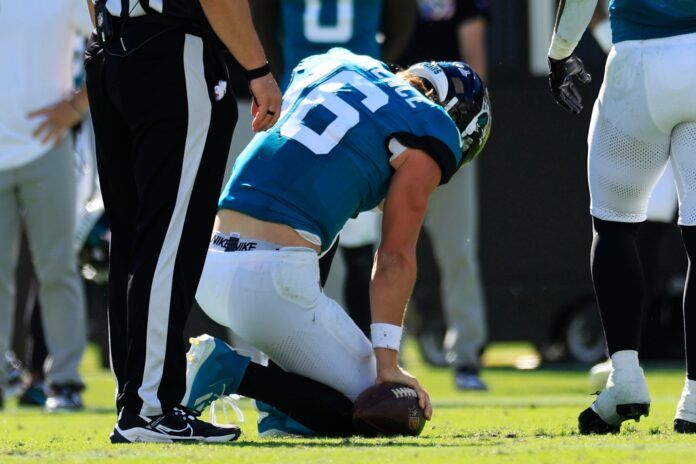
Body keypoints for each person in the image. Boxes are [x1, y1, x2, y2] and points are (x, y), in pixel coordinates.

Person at [182, 47, 491, 437]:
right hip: (269, 281)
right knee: (389, 409)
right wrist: (388, 363)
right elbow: (394, 258)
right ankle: (232, 372)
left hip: (212, 261)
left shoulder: (335, 62)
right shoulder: (431, 127)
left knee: (328, 228)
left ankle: (282, 411)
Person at [84, 0, 282, 443]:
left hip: (109, 49)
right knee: (167, 237)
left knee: (133, 241)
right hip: (172, 52)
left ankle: (137, 401)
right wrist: (258, 70)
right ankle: (149, 407)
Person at [547, 0, 696, 434]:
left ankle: (626, 377)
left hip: (639, 61)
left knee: (614, 226)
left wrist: (559, 53)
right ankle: (695, 399)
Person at [251, 0, 417, 339]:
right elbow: (402, 24)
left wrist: (286, 76)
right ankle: (366, 361)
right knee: (357, 250)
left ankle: (294, 356)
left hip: (300, 105)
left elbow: (262, 24)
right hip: (362, 108)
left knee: (294, 240)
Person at [0, 0, 92, 412]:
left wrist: (75, 107)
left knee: (57, 266)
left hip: (48, 146)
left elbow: (110, 44)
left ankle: (65, 382)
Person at [399, 0, 491, 390]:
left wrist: (467, 127)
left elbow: (475, 61)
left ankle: (467, 358)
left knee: (457, 251)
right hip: (395, 135)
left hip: (448, 136)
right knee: (386, 250)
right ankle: (385, 357)